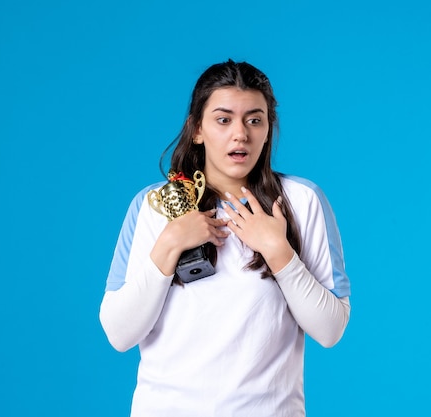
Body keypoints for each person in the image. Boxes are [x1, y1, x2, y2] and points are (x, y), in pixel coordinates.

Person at [99, 59, 351, 417]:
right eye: (223, 119)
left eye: (254, 119)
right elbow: (119, 334)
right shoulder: (153, 206)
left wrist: (279, 251)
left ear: (268, 128)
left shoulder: (301, 201)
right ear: (197, 129)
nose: (240, 134)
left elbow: (330, 330)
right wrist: (170, 243)